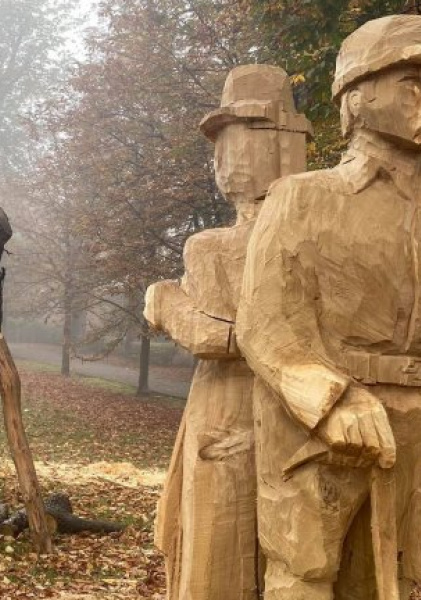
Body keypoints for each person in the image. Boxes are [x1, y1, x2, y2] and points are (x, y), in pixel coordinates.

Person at [236, 15, 421, 600]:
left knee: (391, 579)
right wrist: (331, 400)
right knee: (306, 570)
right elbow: (266, 320)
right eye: (411, 84)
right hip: (321, 428)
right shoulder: (304, 197)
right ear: (356, 97)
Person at [146, 64, 311, 600]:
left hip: (237, 412)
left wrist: (167, 301)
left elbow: (218, 335)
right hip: (252, 415)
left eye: (235, 139)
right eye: (219, 144)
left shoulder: (217, 246)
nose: (222, 158)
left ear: (282, 142)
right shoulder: (312, 238)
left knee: (220, 561)